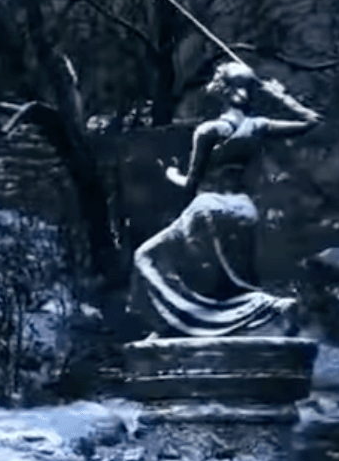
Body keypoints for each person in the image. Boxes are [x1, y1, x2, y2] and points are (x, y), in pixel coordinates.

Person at [134, 62, 321, 338]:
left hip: (209, 208)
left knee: (145, 256)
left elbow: (191, 184)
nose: (211, 82)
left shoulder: (209, 131)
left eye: (216, 78)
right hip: (244, 210)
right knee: (232, 280)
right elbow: (312, 122)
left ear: (223, 89)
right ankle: (250, 315)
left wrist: (170, 174)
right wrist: (279, 95)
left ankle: (178, 324)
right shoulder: (259, 126)